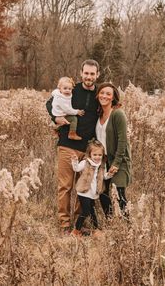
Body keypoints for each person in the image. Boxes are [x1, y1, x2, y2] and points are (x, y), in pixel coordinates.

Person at [46, 59, 100, 235]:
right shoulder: (71, 89)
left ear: (97, 75)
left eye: (92, 74)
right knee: (65, 186)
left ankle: (79, 222)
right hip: (67, 145)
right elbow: (49, 103)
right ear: (81, 73)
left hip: (87, 148)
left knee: (83, 187)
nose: (89, 77)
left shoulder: (99, 94)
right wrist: (56, 119)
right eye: (86, 73)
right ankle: (64, 224)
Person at [96, 82, 131, 217]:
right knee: (102, 192)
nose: (104, 96)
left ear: (113, 97)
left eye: (108, 94)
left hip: (119, 160)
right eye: (102, 93)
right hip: (102, 161)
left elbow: (123, 141)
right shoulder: (98, 114)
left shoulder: (118, 114)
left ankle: (127, 226)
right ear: (98, 95)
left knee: (119, 194)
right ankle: (110, 221)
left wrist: (116, 163)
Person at [71, 139, 112, 237]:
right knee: (86, 211)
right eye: (95, 155)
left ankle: (95, 230)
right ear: (90, 154)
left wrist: (110, 174)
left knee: (93, 211)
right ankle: (76, 230)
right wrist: (75, 161)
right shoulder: (86, 163)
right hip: (84, 192)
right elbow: (76, 168)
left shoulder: (101, 165)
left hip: (93, 193)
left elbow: (104, 176)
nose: (97, 157)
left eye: (100, 155)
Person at [51, 76, 85, 140]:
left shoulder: (60, 93)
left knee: (65, 122)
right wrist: (77, 112)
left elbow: (53, 93)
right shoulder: (61, 98)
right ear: (60, 88)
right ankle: (72, 134)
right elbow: (67, 110)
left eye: (69, 89)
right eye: (65, 88)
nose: (67, 90)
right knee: (73, 119)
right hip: (60, 114)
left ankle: (55, 129)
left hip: (61, 113)